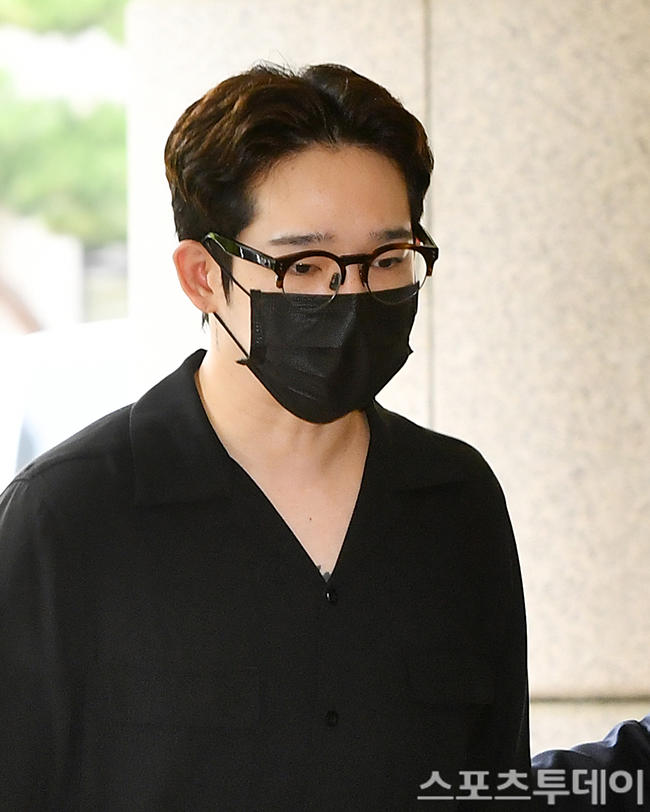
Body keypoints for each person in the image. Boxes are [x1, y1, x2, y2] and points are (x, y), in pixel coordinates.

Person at [0, 63, 530, 810]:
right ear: (202, 276)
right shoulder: (67, 515)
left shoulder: (457, 498)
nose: (352, 294)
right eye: (304, 264)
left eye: (387, 260)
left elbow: (493, 780)